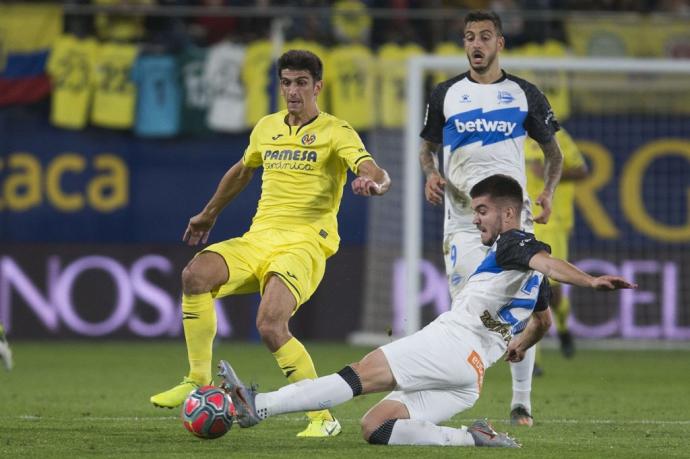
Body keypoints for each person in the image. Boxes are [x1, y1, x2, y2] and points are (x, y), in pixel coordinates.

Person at [217, 175, 636, 448]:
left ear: (509, 213)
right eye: (475, 211)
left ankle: (259, 405)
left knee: (357, 374)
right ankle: (472, 439)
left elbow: (547, 263)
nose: (476, 220)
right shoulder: (529, 272)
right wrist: (520, 344)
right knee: (376, 426)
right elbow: (542, 321)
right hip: (470, 377)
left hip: (451, 343)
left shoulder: (515, 243)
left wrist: (590, 280)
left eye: (483, 210)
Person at [150, 49, 391, 438]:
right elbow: (243, 170)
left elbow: (371, 169)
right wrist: (209, 213)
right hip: (259, 238)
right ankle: (197, 379)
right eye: (286, 82)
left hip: (305, 243)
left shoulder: (337, 131)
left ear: (318, 86)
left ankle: (322, 418)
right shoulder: (267, 127)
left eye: (300, 83)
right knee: (195, 275)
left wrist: (375, 183)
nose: (292, 91)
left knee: (270, 323)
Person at [418, 9, 564, 427]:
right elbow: (426, 147)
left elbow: (554, 153)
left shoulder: (524, 93)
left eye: (484, 37)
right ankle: (450, 391)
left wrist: (549, 191)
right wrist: (430, 174)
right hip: (464, 222)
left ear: (500, 43)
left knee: (529, 309)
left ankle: (521, 401)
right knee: (467, 309)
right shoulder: (444, 94)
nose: (476, 44)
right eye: (469, 37)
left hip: (513, 218)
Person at [525, 128, 589, 367]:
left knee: (552, 293)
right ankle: (533, 361)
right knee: (528, 288)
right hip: (521, 220)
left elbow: (582, 171)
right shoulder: (507, 135)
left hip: (553, 222)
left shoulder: (558, 138)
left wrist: (550, 173)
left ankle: (563, 326)